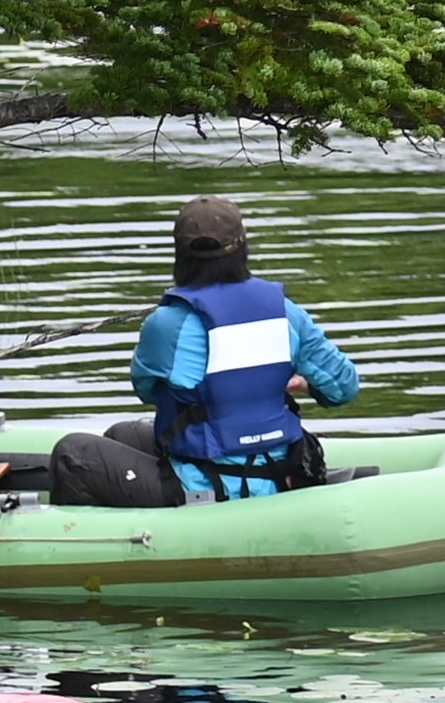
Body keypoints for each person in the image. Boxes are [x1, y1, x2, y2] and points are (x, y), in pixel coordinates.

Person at [48, 194, 361, 505]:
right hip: (283, 470)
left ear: (180, 255)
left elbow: (148, 390)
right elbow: (343, 388)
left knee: (72, 454)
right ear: (242, 249)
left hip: (209, 483)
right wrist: (302, 383)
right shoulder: (286, 312)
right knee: (124, 434)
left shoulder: (167, 324)